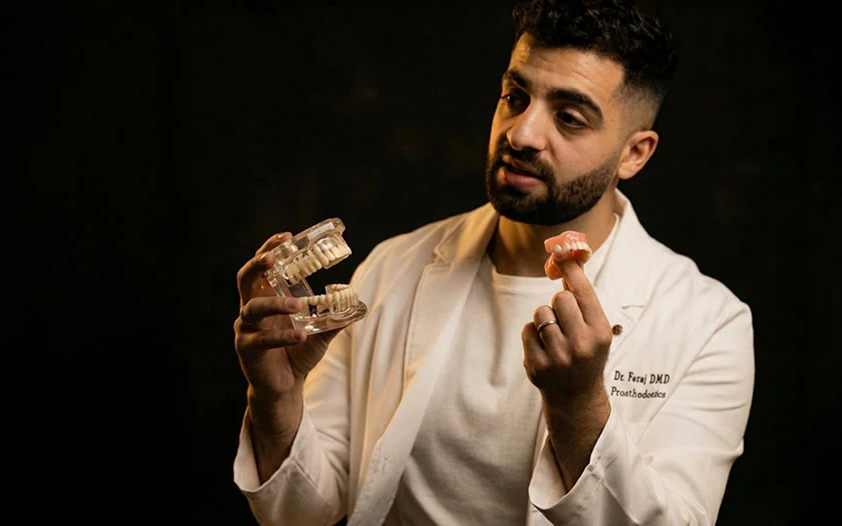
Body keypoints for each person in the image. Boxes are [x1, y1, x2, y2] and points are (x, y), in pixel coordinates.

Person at [232, 0, 754, 524]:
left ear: (634, 154)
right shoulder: (392, 268)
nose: (521, 134)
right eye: (515, 97)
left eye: (569, 118)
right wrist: (277, 398)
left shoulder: (708, 324)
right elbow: (302, 512)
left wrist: (579, 407)